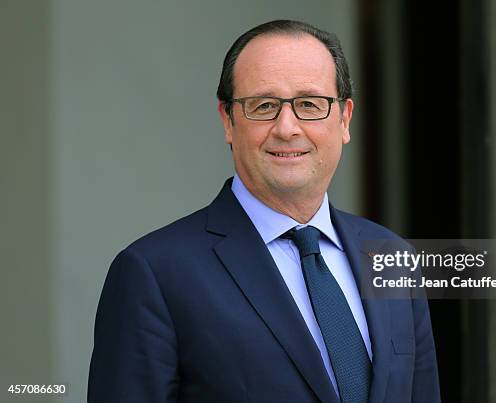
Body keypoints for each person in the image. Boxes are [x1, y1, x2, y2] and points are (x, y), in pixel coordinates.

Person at [88, 20, 440, 403]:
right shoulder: (153, 273)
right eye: (264, 106)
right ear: (228, 120)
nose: (287, 128)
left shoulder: (392, 256)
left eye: (309, 104)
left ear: (344, 119)